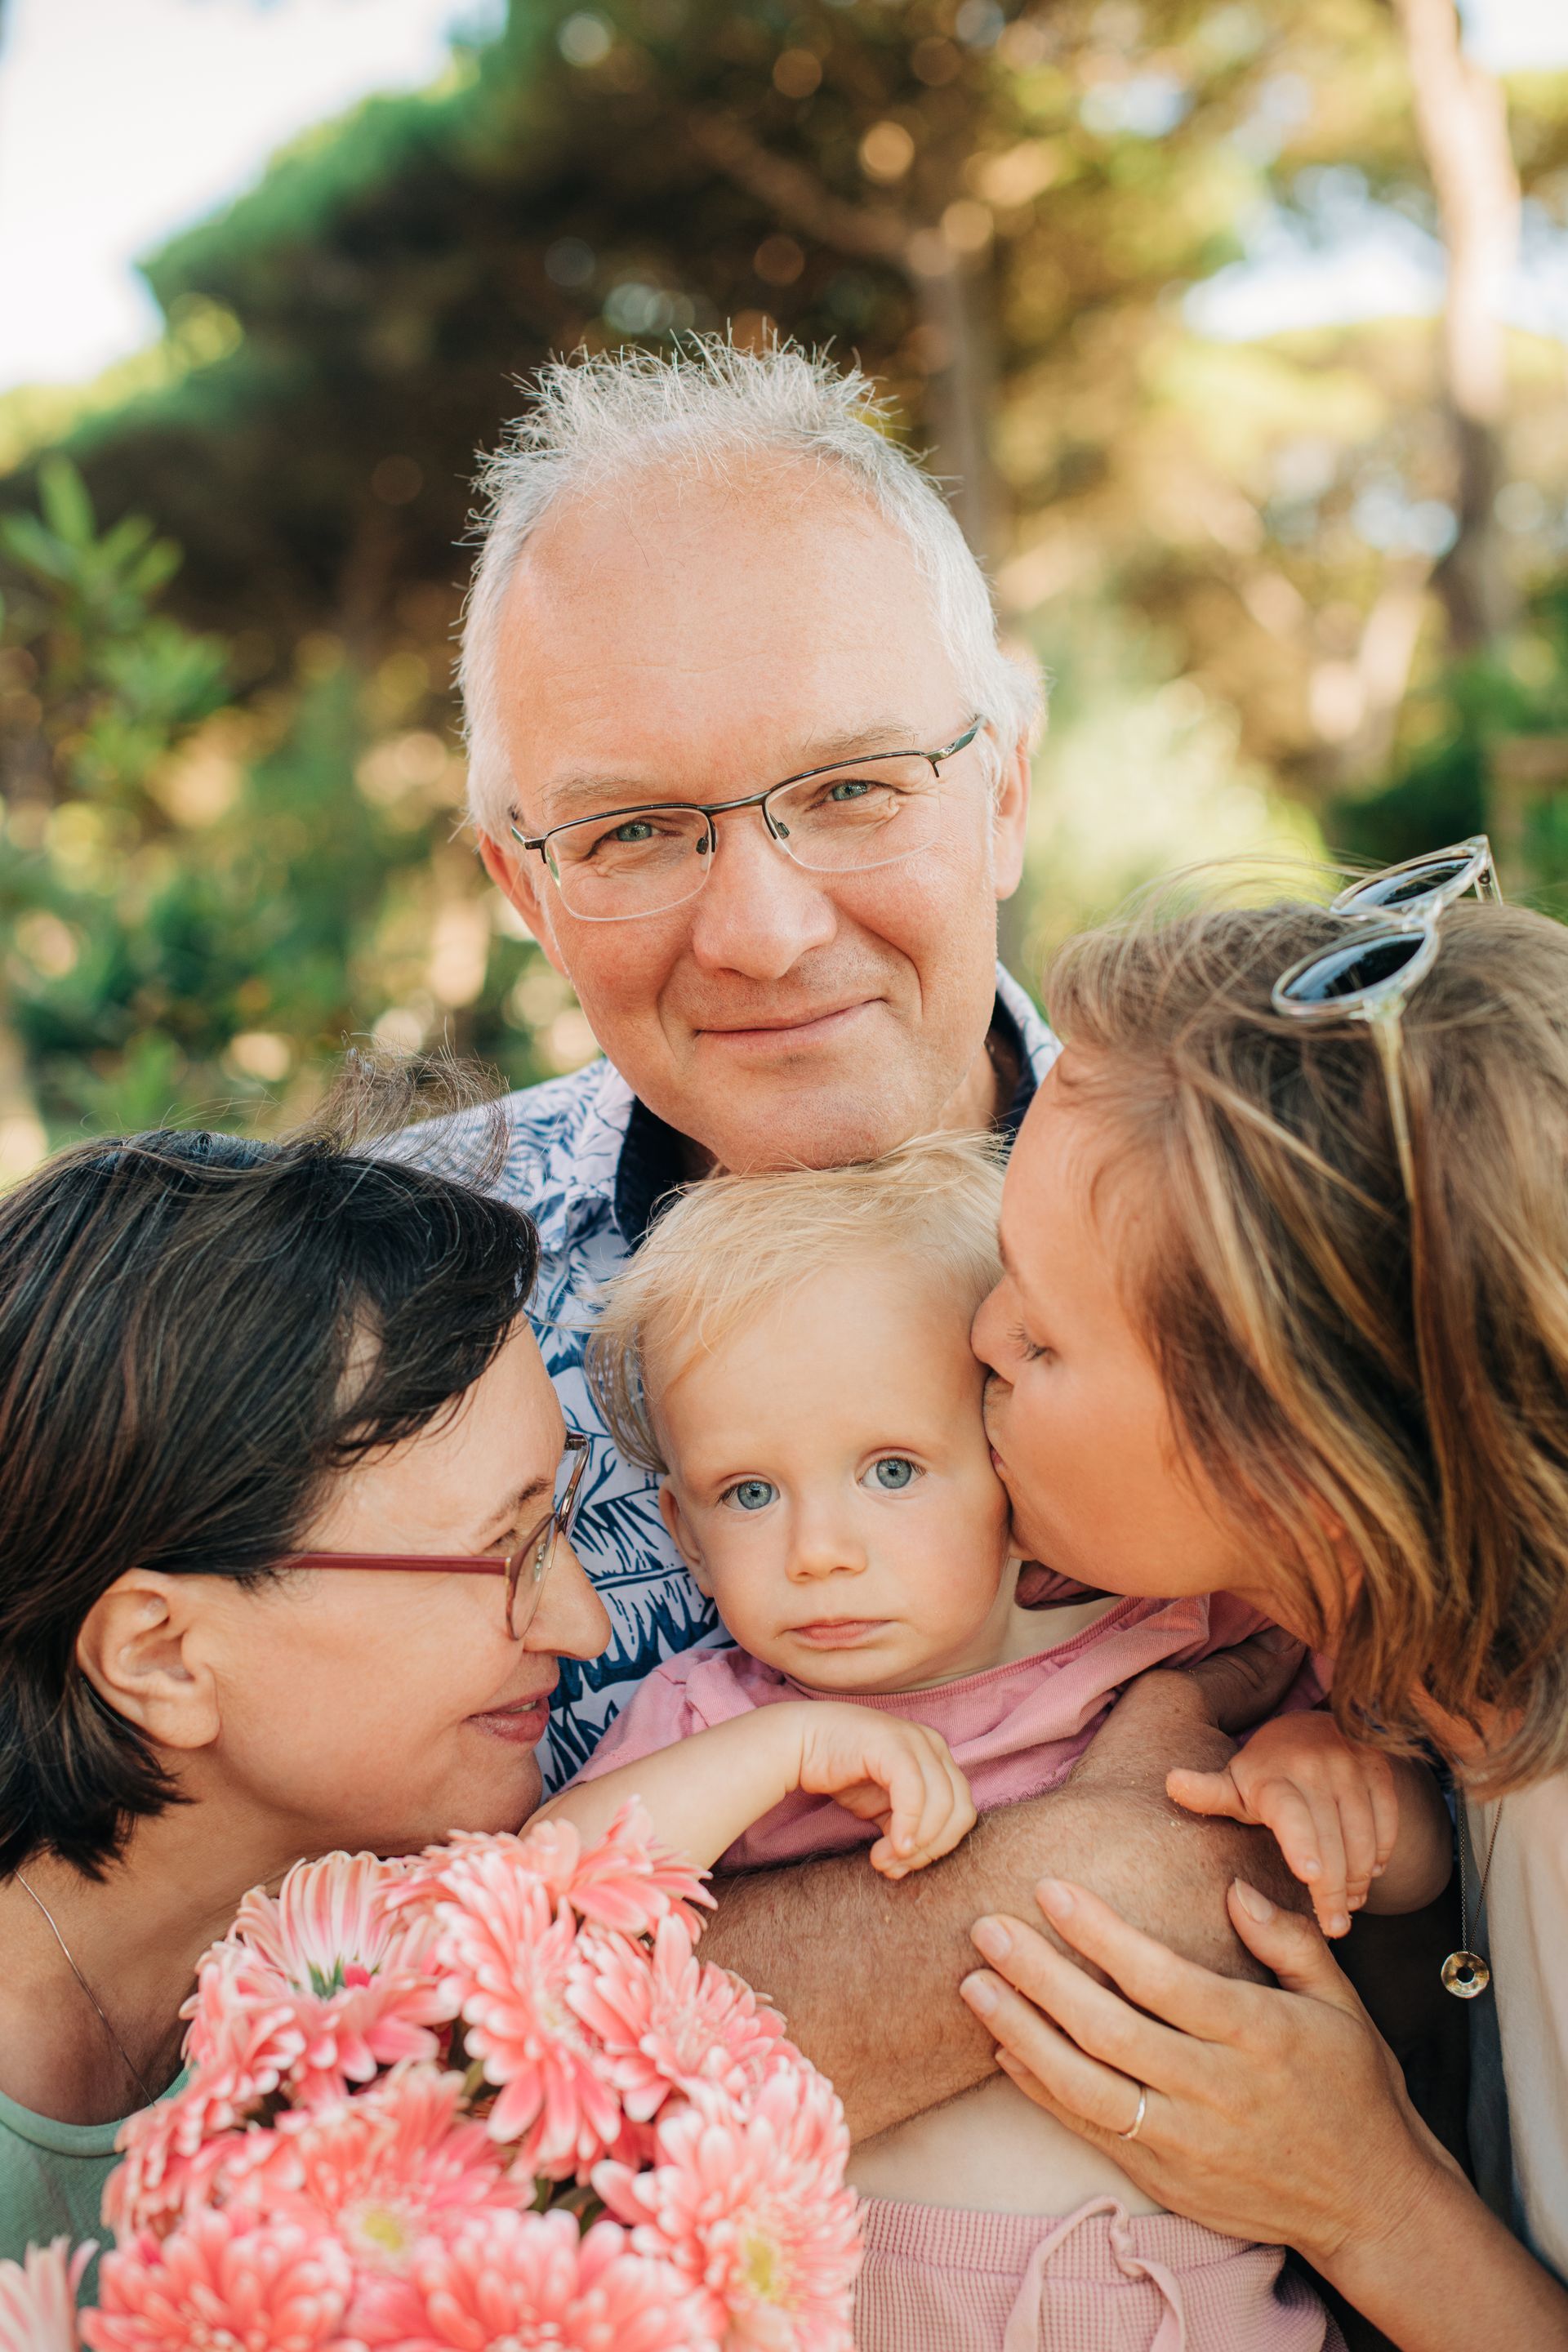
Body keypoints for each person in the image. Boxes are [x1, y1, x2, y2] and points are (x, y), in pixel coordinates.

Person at [458, 333, 1308, 2148]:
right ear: (520, 882)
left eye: (850, 788)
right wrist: (1110, 1865)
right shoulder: (386, 1310)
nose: (763, 930)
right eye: (631, 830)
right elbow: (366, 2056)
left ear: (1003, 780)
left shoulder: (1284, 1230)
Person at [556, 1131, 1447, 2347]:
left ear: (1011, 1469)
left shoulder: (1172, 1637)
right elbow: (537, 1905)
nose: (820, 1547)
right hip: (855, 2304)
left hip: (1200, 2297)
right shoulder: (720, 1718)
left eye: (892, 1469)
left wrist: (1331, 1770)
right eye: (750, 1494)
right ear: (684, 1530)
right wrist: (780, 1754)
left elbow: (1409, 1880)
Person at [958, 855, 1568, 2348]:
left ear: (1296, 1461)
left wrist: (1368, 2197)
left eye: (1039, 1336)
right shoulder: (1407, 1672)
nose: (978, 1336)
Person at [0, 1067, 608, 2290]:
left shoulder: (395, 1967)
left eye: (566, 1517)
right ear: (163, 1657)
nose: (587, 1626)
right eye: (510, 1548)